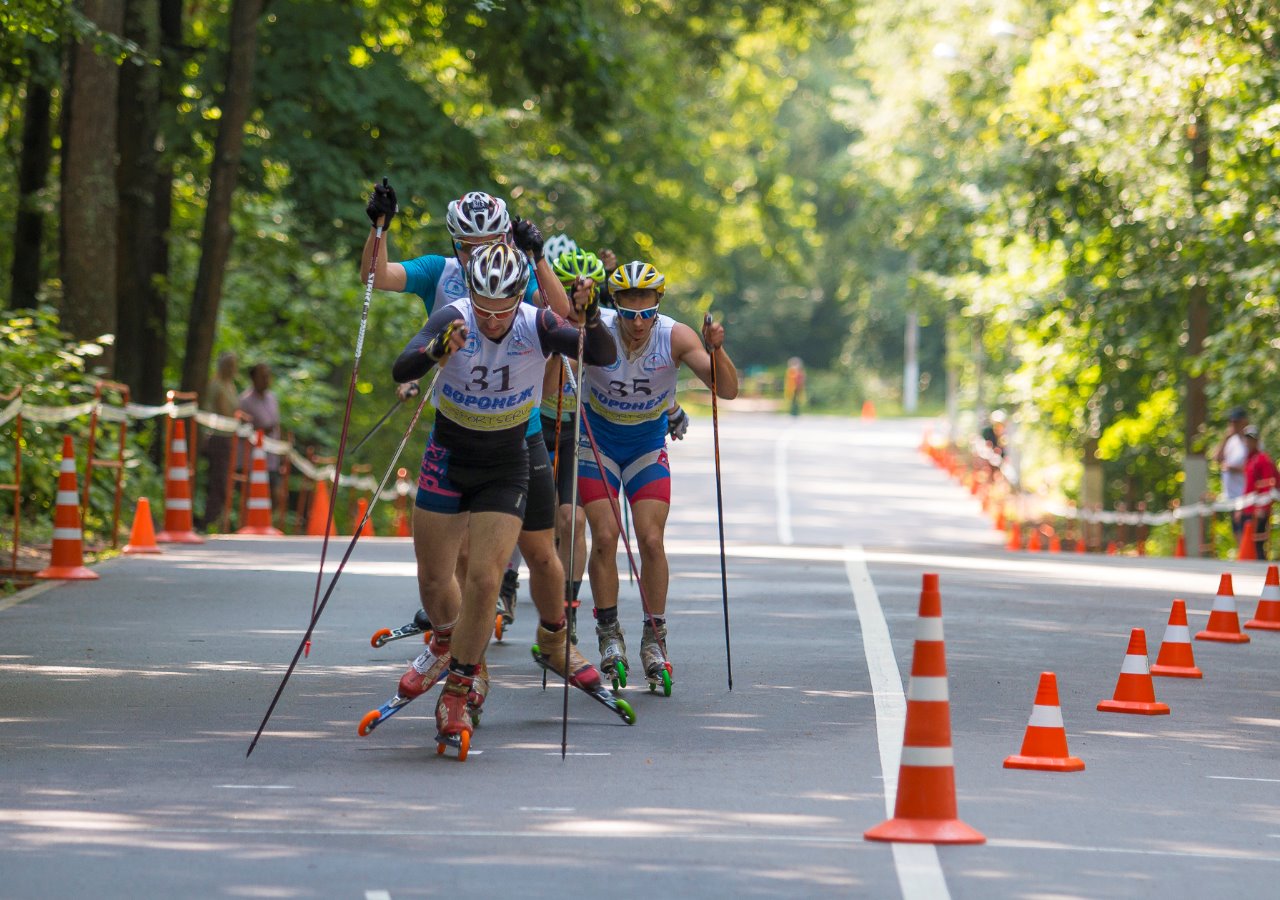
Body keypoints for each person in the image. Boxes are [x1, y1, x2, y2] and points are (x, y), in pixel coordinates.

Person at [387, 242, 617, 752]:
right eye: (483, 308)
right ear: (471, 293)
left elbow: (602, 353)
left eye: (502, 310)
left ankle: (459, 688)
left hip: (507, 462)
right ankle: (446, 641)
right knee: (432, 578)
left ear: (518, 298)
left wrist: (593, 316)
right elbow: (401, 368)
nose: (491, 320)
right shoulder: (453, 316)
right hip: (449, 455)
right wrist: (434, 352)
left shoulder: (537, 323)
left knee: (486, 578)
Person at [579, 260, 739, 694]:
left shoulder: (675, 336)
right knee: (606, 536)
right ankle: (608, 632)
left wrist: (716, 349)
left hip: (646, 444)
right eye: (628, 311)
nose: (637, 321)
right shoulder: (597, 329)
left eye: (646, 310)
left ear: (657, 305)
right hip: (598, 442)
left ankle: (655, 636)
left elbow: (725, 391)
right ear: (615, 306)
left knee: (651, 539)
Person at [237, 362, 287, 518]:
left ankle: (267, 525)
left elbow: (277, 426)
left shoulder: (272, 398)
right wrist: (261, 430)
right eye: (262, 376)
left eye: (268, 376)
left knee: (275, 495)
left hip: (272, 459)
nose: (266, 379)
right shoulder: (244, 401)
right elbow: (242, 428)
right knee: (253, 495)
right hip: (252, 461)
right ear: (253, 378)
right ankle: (250, 523)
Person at [200, 351, 238, 530]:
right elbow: (223, 410)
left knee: (222, 480)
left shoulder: (231, 385)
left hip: (228, 437)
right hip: (218, 437)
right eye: (230, 365)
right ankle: (208, 520)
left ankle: (214, 519)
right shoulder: (217, 385)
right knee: (218, 481)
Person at [1214, 406, 1250, 539]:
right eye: (1232, 422)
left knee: (1244, 529)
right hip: (1231, 495)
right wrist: (1226, 437)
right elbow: (1217, 458)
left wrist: (1232, 468)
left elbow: (1252, 467)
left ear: (1244, 422)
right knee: (1236, 530)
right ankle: (1243, 556)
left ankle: (1248, 557)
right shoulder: (1231, 441)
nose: (1233, 425)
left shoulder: (1250, 440)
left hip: (1245, 494)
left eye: (1236, 422)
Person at [1242, 425, 1276, 560]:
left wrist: (1263, 506)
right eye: (1247, 440)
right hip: (1249, 506)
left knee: (1259, 540)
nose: (1249, 443)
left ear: (1257, 441)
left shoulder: (1262, 458)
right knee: (1250, 539)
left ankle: (1262, 566)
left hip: (1260, 507)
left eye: (1252, 440)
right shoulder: (1249, 459)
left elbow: (1268, 483)